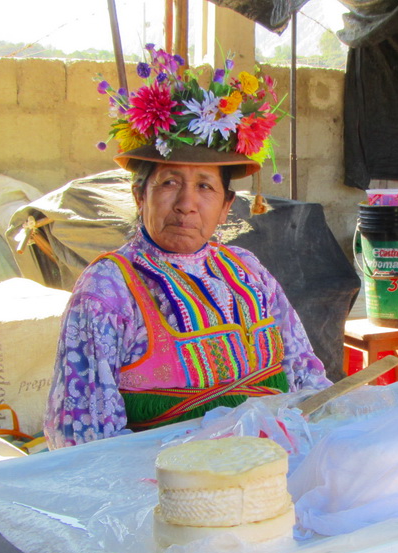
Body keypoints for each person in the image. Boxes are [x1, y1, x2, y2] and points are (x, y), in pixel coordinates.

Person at [43, 47, 331, 449]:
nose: (186, 204)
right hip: (167, 493)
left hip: (272, 476)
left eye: (205, 187)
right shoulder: (107, 289)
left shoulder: (248, 271)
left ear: (227, 206)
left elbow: (306, 381)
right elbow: (82, 437)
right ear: (139, 194)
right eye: (169, 182)